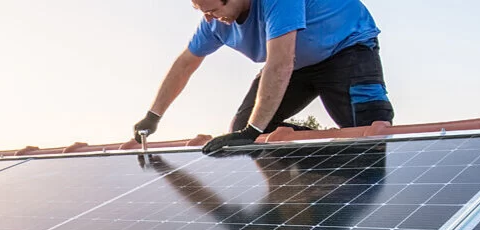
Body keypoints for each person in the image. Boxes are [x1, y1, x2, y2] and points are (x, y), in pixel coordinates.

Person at [133, 0, 394, 155]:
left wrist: (252, 131)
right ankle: (330, 163)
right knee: (244, 130)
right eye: (204, 12)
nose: (211, 18)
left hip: (344, 48)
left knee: (371, 134)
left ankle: (354, 157)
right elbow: (184, 64)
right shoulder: (214, 22)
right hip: (296, 66)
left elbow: (280, 62)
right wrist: (153, 116)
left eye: (213, 9)